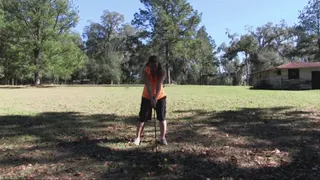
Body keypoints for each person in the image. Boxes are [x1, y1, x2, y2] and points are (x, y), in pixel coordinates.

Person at [133, 55, 167, 145]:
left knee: (162, 117)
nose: (153, 69)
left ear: (158, 65)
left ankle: (163, 138)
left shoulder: (162, 71)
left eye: (155, 66)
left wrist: (155, 98)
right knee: (142, 118)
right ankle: (137, 138)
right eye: (152, 66)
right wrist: (151, 98)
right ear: (149, 65)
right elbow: (148, 86)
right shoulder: (145, 71)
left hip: (160, 96)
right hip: (147, 96)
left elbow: (159, 85)